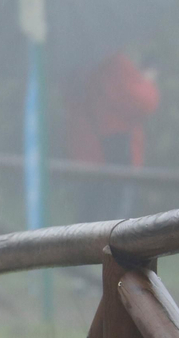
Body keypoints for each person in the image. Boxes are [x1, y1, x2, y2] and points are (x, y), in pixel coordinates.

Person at [64, 50, 159, 221]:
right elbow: (141, 102)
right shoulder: (114, 63)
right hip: (116, 148)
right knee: (118, 221)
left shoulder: (77, 65)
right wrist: (146, 81)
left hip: (86, 153)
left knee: (88, 218)